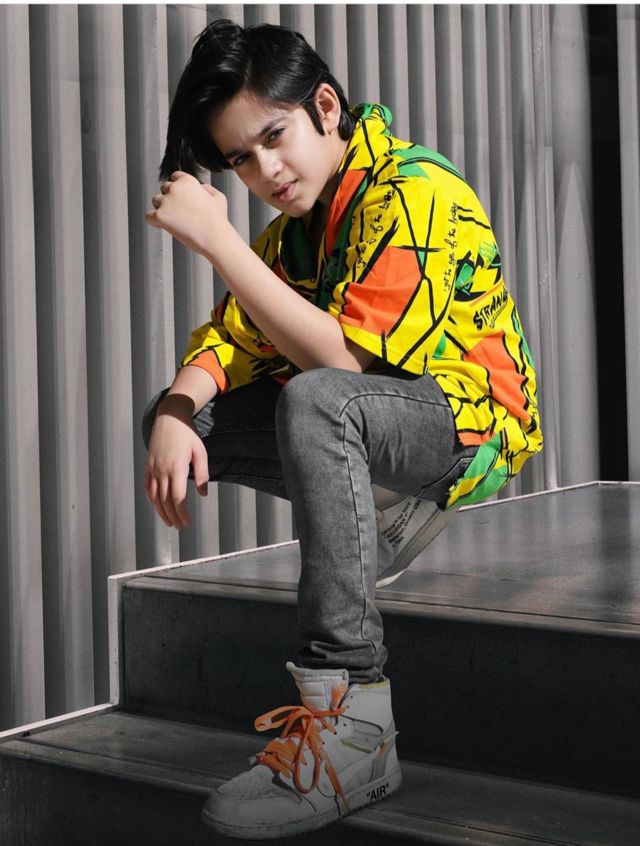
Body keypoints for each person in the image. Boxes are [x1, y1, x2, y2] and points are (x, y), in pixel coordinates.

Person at [143, 19, 543, 840]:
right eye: (240, 160)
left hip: (472, 423)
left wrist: (218, 240)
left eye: (273, 137)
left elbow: (345, 362)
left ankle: (355, 722)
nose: (264, 172)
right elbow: (234, 338)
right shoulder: (298, 231)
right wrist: (176, 411)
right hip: (377, 419)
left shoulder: (414, 190)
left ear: (325, 107)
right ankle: (386, 506)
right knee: (188, 415)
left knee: (318, 399)